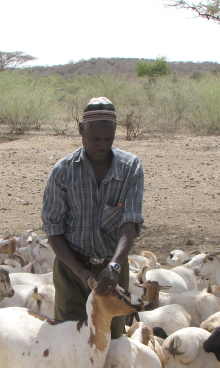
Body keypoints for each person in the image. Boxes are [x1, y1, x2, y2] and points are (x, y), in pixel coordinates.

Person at [41, 97, 144, 339]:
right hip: (71, 270)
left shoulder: (130, 168)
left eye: (108, 139)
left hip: (113, 269)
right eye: (95, 139)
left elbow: (130, 222)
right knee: (69, 340)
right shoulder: (63, 172)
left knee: (112, 338)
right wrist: (79, 272)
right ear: (80, 130)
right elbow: (53, 230)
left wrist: (115, 265)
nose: (102, 145)